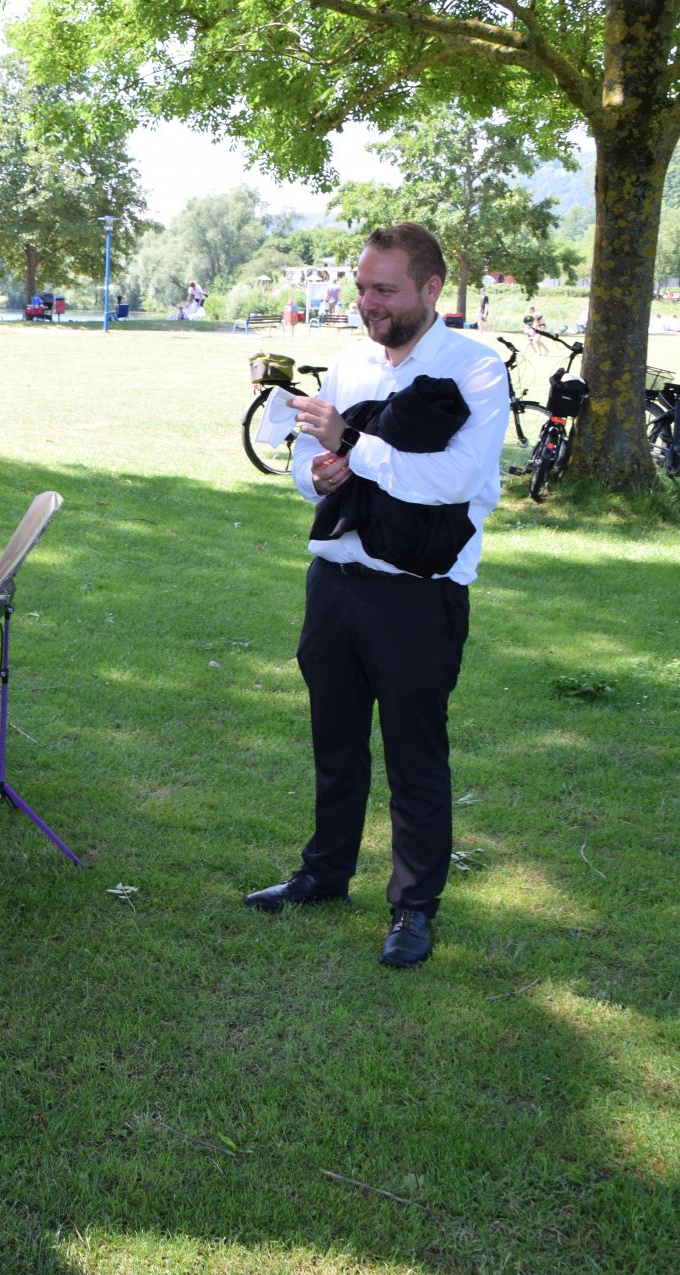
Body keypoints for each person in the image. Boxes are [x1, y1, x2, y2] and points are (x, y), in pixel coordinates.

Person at [241, 221, 509, 969]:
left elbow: (453, 480)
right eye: (362, 288)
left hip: (419, 595)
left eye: (384, 289)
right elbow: (309, 457)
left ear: (431, 288)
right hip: (334, 582)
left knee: (416, 758)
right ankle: (324, 874)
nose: (368, 302)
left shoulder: (476, 369)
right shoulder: (351, 363)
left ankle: (414, 907)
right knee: (335, 743)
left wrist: (354, 447)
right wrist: (318, 473)